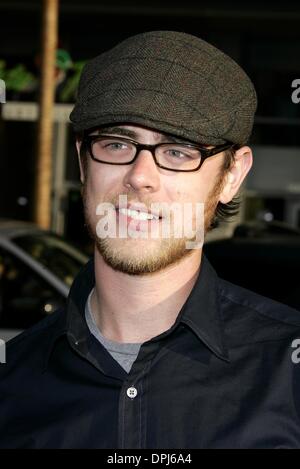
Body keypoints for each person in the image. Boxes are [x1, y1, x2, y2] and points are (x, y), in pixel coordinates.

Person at [1, 30, 300, 449]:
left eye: (178, 151)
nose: (140, 176)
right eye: (118, 143)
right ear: (84, 164)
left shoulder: (288, 373)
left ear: (232, 176)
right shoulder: (11, 384)